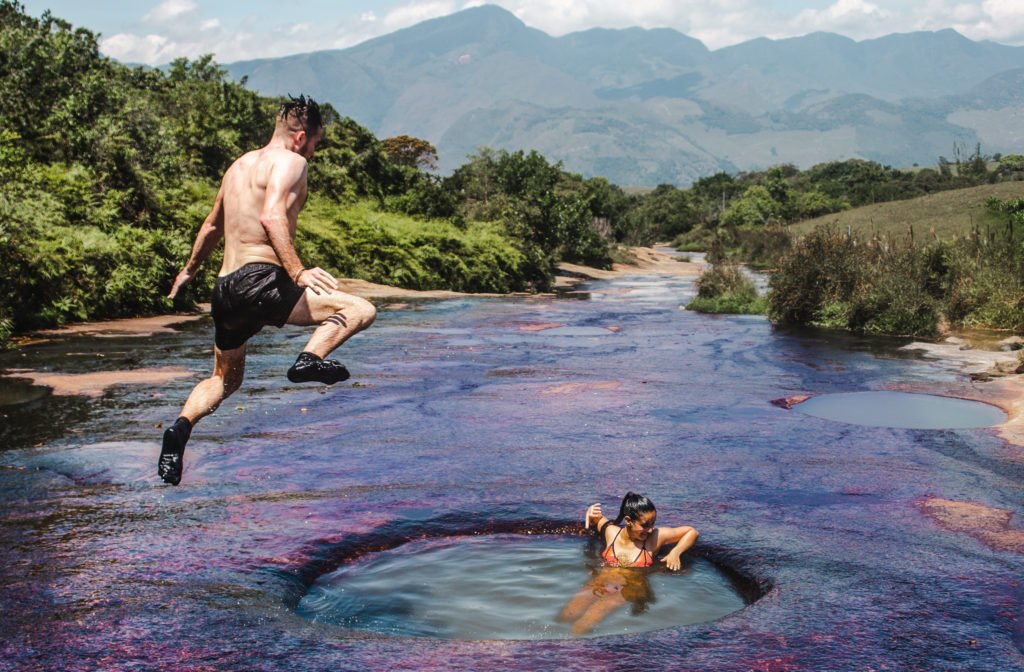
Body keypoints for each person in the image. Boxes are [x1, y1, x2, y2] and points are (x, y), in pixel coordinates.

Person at [157, 95, 376, 486]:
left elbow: (211, 226)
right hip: (261, 279)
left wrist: (188, 271)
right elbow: (271, 216)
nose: (313, 151)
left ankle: (180, 429)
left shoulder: (238, 166)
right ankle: (309, 360)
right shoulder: (292, 162)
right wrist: (297, 271)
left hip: (225, 289)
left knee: (225, 379)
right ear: (300, 136)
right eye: (315, 143)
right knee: (359, 310)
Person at [558, 492, 698, 635]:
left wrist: (675, 552)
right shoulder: (612, 533)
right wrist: (590, 512)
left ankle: (569, 646)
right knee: (568, 613)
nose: (650, 529)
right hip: (600, 582)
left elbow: (691, 532)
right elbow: (596, 519)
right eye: (645, 525)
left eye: (653, 524)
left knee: (588, 620)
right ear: (628, 520)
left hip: (628, 589)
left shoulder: (654, 539)